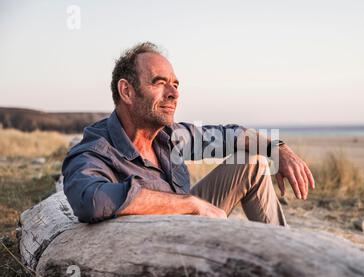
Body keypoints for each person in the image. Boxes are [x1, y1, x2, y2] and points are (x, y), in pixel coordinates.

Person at [62, 42, 315, 225]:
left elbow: (231, 135)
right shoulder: (96, 149)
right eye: (159, 83)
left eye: (175, 85)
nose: (173, 94)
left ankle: (284, 261)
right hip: (148, 252)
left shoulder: (171, 136)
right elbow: (91, 200)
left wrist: (278, 149)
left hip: (186, 226)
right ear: (126, 91)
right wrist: (190, 205)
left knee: (253, 162)